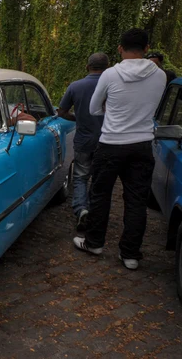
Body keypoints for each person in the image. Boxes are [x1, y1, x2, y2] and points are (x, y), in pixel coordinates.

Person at [73, 28, 166, 270]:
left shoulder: (110, 74)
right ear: (146, 49)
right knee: (136, 200)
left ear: (120, 49)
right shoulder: (160, 76)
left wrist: (113, 112)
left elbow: (94, 109)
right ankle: (130, 255)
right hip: (142, 145)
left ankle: (94, 243)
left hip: (111, 144)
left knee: (100, 195)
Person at [57, 53, 109, 232]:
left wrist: (77, 117)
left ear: (87, 67)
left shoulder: (75, 86)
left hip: (83, 141)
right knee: (100, 179)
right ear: (107, 68)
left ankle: (81, 210)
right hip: (107, 141)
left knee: (80, 177)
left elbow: (61, 112)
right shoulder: (113, 86)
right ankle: (96, 213)